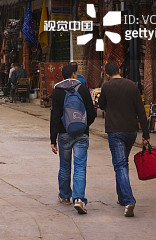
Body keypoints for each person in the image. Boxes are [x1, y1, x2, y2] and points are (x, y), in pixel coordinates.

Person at [98, 61, 150, 218]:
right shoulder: (132, 86)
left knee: (120, 165)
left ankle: (129, 200)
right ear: (119, 70)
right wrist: (146, 134)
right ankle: (121, 197)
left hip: (115, 131)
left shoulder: (106, 87)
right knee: (122, 163)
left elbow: (101, 105)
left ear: (107, 74)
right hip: (131, 131)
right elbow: (141, 111)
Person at [50, 62, 96, 214]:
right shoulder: (82, 89)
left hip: (64, 134)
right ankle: (79, 199)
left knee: (65, 166)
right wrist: (84, 125)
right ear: (74, 74)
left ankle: (64, 196)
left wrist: (53, 139)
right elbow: (92, 112)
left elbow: (54, 117)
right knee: (80, 166)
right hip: (81, 134)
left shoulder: (57, 91)